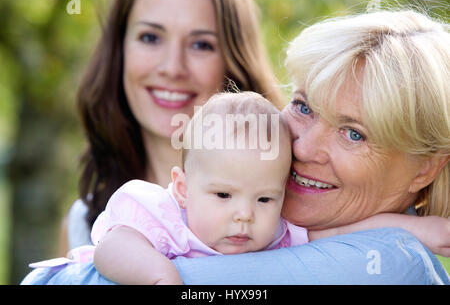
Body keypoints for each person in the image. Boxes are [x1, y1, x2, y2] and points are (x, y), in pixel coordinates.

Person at [23, 9, 450, 284]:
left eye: (354, 133)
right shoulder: (271, 220)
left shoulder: (390, 266)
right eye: (302, 106)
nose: (302, 149)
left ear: (425, 169)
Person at [27, 92, 450, 285]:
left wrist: (421, 230)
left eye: (265, 198)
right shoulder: (164, 215)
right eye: (224, 196)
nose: (245, 214)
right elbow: (109, 250)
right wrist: (158, 276)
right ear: (182, 188)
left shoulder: (279, 228)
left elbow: (343, 234)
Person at [59, 0, 287, 254]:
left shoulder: (293, 218)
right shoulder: (84, 224)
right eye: (150, 37)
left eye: (201, 44)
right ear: (119, 51)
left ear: (233, 59)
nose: (172, 68)